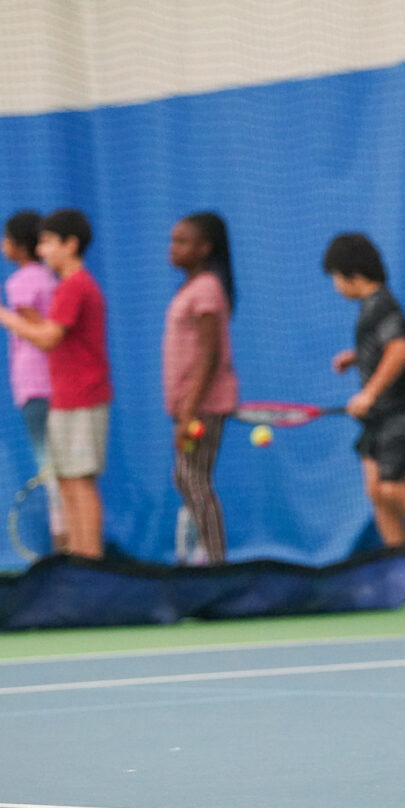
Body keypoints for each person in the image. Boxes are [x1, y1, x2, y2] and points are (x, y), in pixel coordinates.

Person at [0, 208, 111, 559]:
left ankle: (91, 562)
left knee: (80, 482)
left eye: (49, 242)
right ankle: (79, 563)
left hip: (84, 397)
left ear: (71, 245)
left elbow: (47, 338)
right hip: (64, 397)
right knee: (67, 481)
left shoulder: (76, 286)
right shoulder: (65, 286)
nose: (42, 250)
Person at [323, 232, 405, 549]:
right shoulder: (370, 307)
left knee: (392, 489)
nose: (335, 286)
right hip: (380, 416)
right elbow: (395, 347)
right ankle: (398, 564)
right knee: (376, 492)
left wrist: (369, 394)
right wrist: (356, 357)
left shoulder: (383, 305)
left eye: (335, 278)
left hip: (401, 412)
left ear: (352, 275)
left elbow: (401, 351)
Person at [0, 211, 63, 552]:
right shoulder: (48, 277)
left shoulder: (21, 282)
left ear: (17, 245)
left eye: (4, 237)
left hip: (36, 386)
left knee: (51, 470)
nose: (1, 244)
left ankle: (64, 546)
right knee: (61, 470)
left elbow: (39, 331)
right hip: (54, 385)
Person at [165, 211, 240, 564]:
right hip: (190, 405)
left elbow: (210, 356)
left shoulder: (207, 289)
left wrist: (190, 410)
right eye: (173, 240)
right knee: (188, 478)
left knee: (192, 479)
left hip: (205, 406)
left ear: (205, 248)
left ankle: (215, 559)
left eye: (182, 241)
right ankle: (204, 554)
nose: (173, 248)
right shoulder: (191, 288)